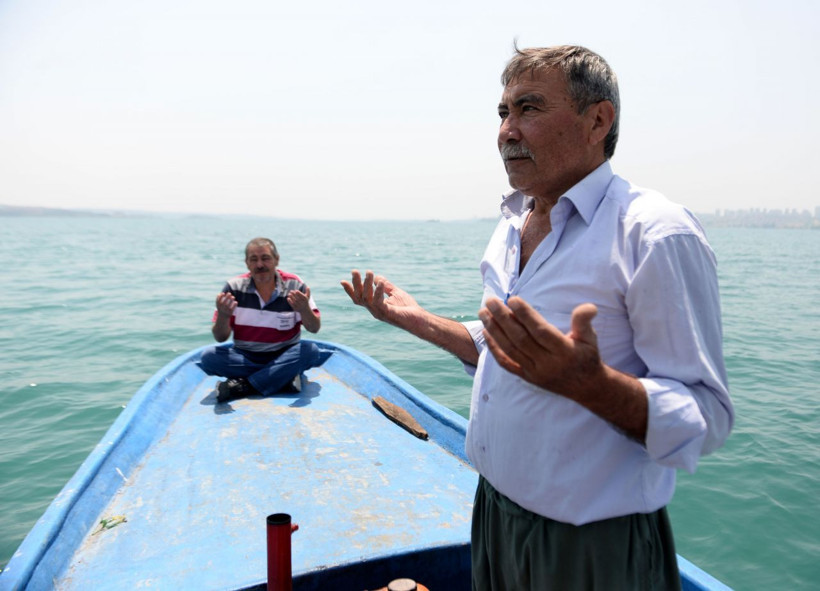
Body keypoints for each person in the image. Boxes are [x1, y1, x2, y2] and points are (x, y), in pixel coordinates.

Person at [341, 45, 733, 589]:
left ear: (598, 120)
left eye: (528, 109)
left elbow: (707, 415)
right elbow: (506, 349)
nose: (507, 131)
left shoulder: (654, 233)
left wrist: (589, 385)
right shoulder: (513, 222)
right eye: (502, 113)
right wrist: (413, 319)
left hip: (589, 545)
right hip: (494, 514)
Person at [199, 237, 325, 403]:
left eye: (265, 258)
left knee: (310, 351)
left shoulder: (296, 285)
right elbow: (220, 337)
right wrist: (223, 316)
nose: (260, 265)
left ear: (276, 260)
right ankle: (281, 379)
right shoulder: (233, 288)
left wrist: (304, 310)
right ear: (247, 263)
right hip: (245, 357)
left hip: (285, 354)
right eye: (254, 259)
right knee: (209, 358)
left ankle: (244, 386)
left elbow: (314, 328)